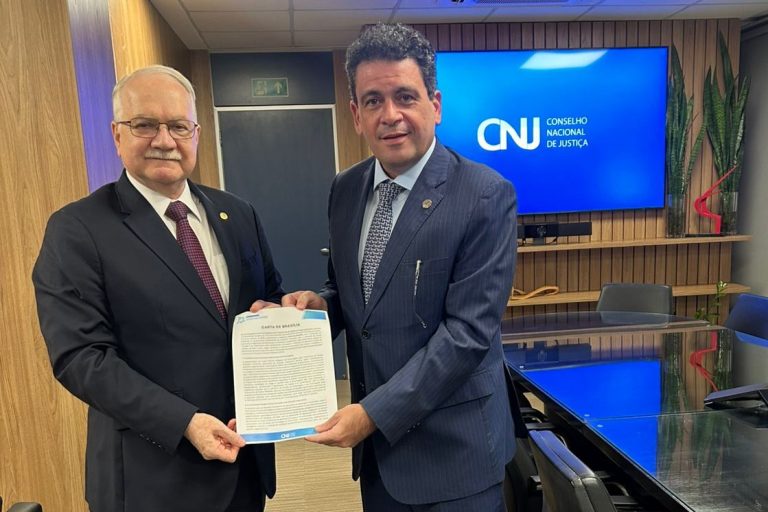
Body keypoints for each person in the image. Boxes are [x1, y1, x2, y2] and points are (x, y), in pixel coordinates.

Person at [261, 23, 518, 511]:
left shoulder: (484, 195)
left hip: (455, 457)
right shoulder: (345, 190)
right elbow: (350, 292)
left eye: (405, 96)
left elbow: (466, 335)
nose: (391, 115)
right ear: (356, 114)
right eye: (374, 100)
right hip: (380, 458)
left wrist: (372, 415)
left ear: (435, 105)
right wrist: (317, 307)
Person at [33, 65, 283, 512]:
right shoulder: (78, 229)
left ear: (196, 132)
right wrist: (184, 422)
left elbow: (266, 299)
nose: (164, 140)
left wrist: (288, 311)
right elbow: (80, 357)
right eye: (145, 125)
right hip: (152, 480)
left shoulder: (237, 213)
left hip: (244, 463)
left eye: (178, 126)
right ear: (116, 133)